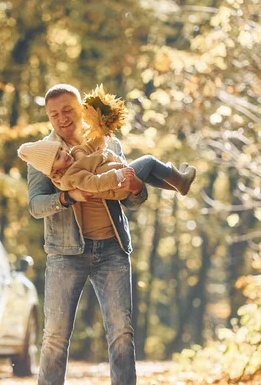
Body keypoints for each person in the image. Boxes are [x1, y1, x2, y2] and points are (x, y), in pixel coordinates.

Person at [27, 84, 150, 385]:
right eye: (54, 114)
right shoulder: (43, 155)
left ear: (81, 108)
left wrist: (137, 189)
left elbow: (130, 198)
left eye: (68, 109)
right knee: (55, 336)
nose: (62, 118)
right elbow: (35, 205)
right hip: (66, 253)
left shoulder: (108, 143)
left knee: (122, 332)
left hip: (113, 248)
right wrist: (68, 198)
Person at [18, 136, 196, 199]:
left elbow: (86, 149)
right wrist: (117, 176)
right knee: (148, 161)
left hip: (119, 177)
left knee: (148, 175)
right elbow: (94, 183)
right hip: (117, 185)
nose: (65, 153)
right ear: (53, 170)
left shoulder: (72, 160)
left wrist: (100, 132)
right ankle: (180, 181)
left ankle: (177, 185)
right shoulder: (70, 177)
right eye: (58, 156)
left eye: (61, 149)